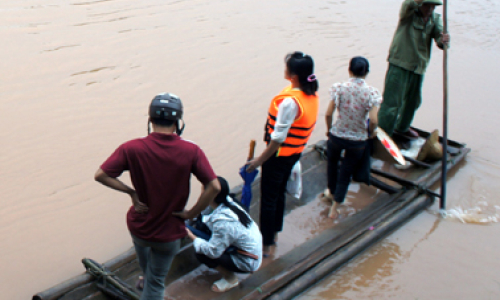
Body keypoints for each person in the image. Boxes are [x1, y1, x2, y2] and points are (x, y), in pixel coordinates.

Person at [94, 93, 220, 300]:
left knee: (146, 264)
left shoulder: (131, 148)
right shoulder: (191, 151)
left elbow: (100, 175)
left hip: (140, 227)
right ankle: (149, 279)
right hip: (168, 232)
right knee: (156, 284)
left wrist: (131, 192)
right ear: (178, 122)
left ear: (150, 120)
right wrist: (191, 213)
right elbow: (213, 187)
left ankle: (146, 274)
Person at [246, 51, 319, 256]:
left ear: (293, 75)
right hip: (294, 153)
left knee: (268, 199)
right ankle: (274, 235)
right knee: (278, 195)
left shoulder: (290, 102)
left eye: (287, 67)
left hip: (278, 157)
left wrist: (258, 161)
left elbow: (278, 138)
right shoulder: (309, 93)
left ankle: (266, 245)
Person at [377, 0, 450, 138]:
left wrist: (444, 40)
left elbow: (440, 40)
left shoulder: (435, 19)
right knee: (392, 102)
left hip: (419, 67)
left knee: (414, 101)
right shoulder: (409, 14)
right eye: (427, 5)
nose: (430, 9)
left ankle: (402, 128)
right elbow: (407, 5)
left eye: (432, 6)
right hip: (400, 63)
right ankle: (382, 134)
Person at [325, 57, 382, 219]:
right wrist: (370, 133)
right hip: (357, 140)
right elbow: (374, 120)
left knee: (332, 165)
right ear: (367, 73)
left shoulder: (339, 88)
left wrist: (329, 131)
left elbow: (329, 113)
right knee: (346, 173)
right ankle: (335, 208)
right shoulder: (371, 93)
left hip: (337, 136)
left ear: (349, 70)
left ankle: (331, 192)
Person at [185, 176, 263, 293]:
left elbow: (213, 251)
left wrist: (189, 234)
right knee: (198, 225)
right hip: (243, 248)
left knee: (202, 252)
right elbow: (198, 213)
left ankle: (230, 278)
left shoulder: (224, 223)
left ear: (209, 195)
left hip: (247, 259)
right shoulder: (227, 200)